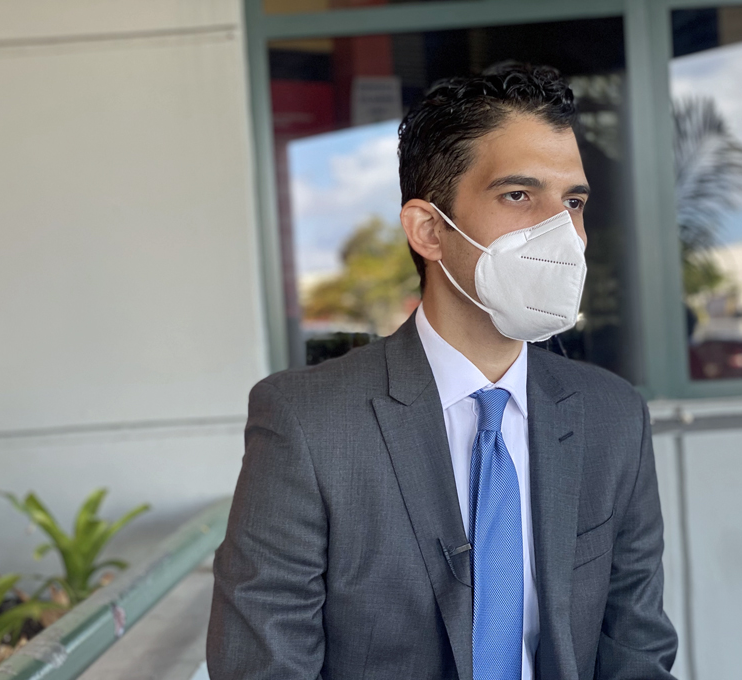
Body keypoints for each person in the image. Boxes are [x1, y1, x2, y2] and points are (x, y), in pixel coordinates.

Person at [207, 63, 678, 680]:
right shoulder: (309, 424)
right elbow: (263, 665)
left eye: (573, 202)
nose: (561, 231)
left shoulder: (612, 416)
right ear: (429, 230)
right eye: (518, 195)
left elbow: (637, 648)